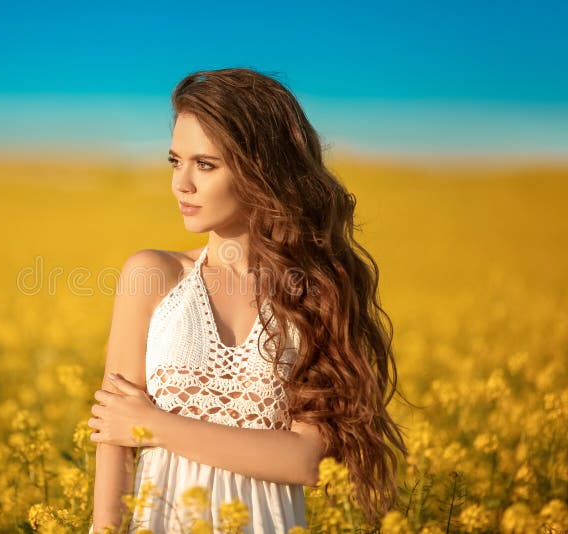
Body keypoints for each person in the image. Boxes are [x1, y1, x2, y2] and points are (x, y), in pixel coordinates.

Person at [87, 67, 409, 533]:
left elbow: (305, 460)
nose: (182, 184)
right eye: (175, 161)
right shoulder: (153, 275)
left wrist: (152, 425)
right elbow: (113, 437)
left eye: (206, 164)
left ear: (263, 170)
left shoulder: (312, 294)